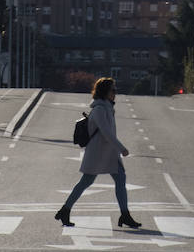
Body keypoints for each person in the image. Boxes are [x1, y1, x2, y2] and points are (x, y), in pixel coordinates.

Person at [55, 77, 140, 229]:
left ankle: (125, 215)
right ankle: (65, 210)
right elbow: (107, 133)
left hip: (108, 153)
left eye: (116, 90)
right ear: (105, 92)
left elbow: (109, 133)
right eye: (113, 90)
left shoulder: (107, 107)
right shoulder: (100, 109)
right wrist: (122, 148)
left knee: (120, 179)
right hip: (98, 153)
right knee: (86, 182)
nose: (115, 93)